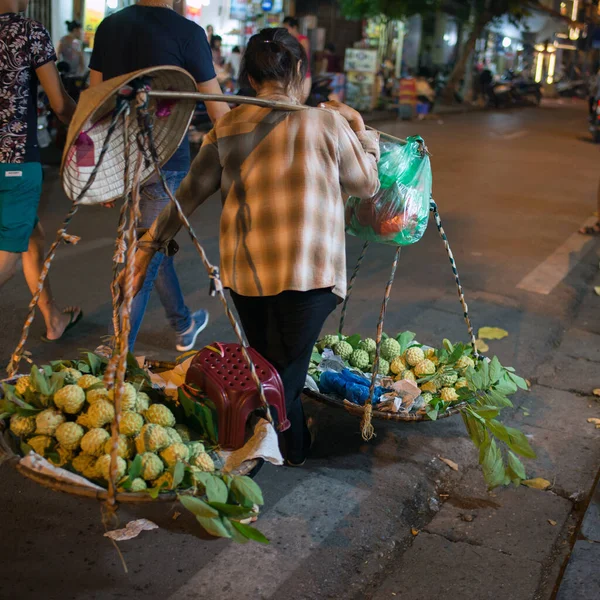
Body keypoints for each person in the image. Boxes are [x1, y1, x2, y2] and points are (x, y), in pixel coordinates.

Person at [126, 27, 380, 465]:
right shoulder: (327, 123)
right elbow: (367, 183)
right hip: (309, 275)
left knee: (273, 369)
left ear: (249, 78)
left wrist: (152, 241)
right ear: (300, 72)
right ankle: (266, 451)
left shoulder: (228, 127)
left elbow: (188, 195)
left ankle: (280, 445)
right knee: (281, 378)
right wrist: (363, 131)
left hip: (248, 274)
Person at [89, 0, 230, 352]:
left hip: (120, 159)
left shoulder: (109, 27)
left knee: (150, 245)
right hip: (167, 162)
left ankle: (183, 322)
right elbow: (220, 115)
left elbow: (95, 104)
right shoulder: (188, 33)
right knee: (146, 253)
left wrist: (98, 171)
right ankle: (115, 357)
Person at [0, 0, 82, 341]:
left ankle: (53, 320)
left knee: (31, 237)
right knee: (10, 250)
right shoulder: (27, 30)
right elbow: (60, 103)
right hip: (14, 159)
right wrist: (85, 125)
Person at [283, 16, 312, 102]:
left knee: (299, 102)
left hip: (303, 75)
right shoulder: (287, 41)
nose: (285, 30)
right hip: (291, 76)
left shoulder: (303, 40)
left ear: (294, 27)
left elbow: (303, 57)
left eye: (286, 28)